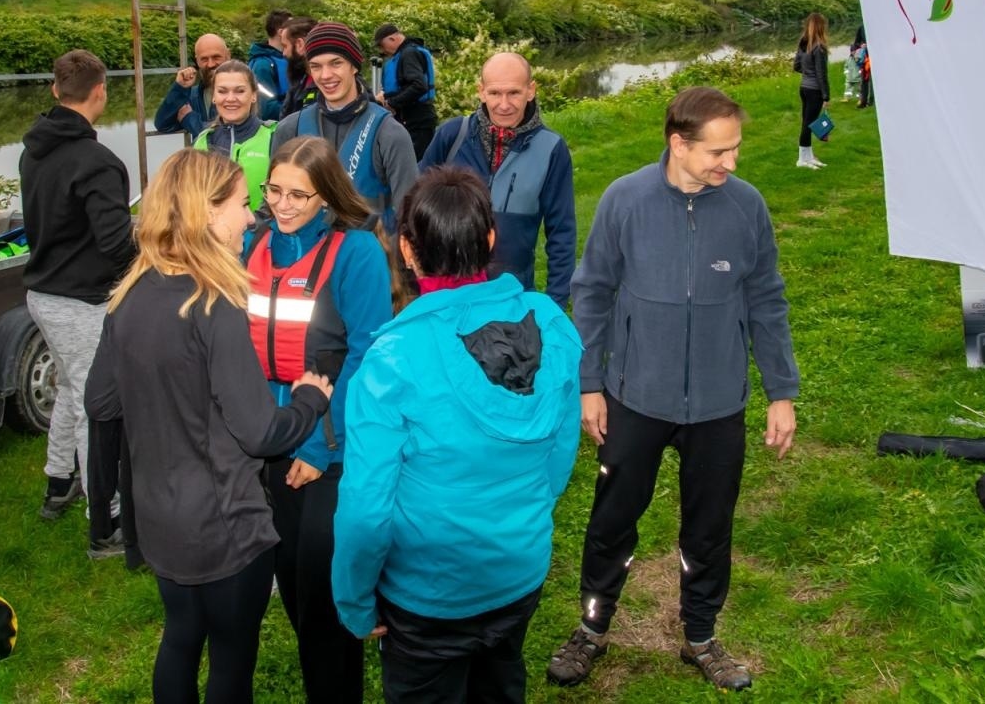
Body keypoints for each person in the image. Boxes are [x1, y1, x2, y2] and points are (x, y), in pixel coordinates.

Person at [547, 86, 799, 693]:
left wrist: (781, 391)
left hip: (718, 404)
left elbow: (766, 298)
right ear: (677, 144)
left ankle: (701, 636)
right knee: (614, 518)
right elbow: (593, 293)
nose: (730, 164)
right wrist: (590, 384)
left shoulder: (746, 206)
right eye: (719, 151)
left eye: (735, 150)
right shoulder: (625, 200)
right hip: (634, 397)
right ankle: (591, 629)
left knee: (709, 527)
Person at [83, 148, 333, 704]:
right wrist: (311, 402)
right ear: (207, 211)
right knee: (230, 662)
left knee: (179, 638)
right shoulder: (216, 304)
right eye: (243, 204)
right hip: (225, 523)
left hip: (158, 511)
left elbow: (100, 400)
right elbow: (260, 432)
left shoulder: (130, 295)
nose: (251, 217)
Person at [332, 167, 582, 704]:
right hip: (517, 570)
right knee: (499, 684)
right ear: (491, 239)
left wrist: (354, 600)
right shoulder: (553, 326)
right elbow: (559, 457)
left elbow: (365, 507)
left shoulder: (394, 358)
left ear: (406, 249)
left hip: (428, 593)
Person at [244, 135, 395, 703]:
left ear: (327, 197)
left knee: (325, 595)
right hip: (264, 444)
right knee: (291, 583)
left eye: (299, 196)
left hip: (326, 449)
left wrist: (318, 450)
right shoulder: (252, 245)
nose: (282, 206)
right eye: (274, 191)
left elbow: (367, 355)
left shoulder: (353, 253)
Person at [19, 50, 136, 551]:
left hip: (41, 292)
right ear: (101, 91)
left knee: (70, 386)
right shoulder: (97, 161)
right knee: (97, 404)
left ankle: (58, 481)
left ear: (55, 90)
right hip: (80, 300)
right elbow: (114, 243)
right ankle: (105, 515)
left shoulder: (33, 150)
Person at [420, 51, 577, 307]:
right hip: (447, 297)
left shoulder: (551, 149)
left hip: (513, 298)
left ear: (531, 90)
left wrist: (555, 304)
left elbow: (562, 233)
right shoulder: (451, 136)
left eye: (514, 93)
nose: (504, 105)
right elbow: (415, 206)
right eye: (494, 93)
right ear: (481, 91)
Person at [272, 21, 418, 231]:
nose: (325, 75)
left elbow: (410, 215)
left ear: (355, 65)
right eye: (316, 66)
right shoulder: (289, 129)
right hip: (307, 257)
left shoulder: (389, 133)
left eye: (336, 63)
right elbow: (273, 205)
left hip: (367, 257)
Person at [195, 60, 275, 211]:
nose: (230, 98)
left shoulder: (273, 136)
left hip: (261, 232)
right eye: (222, 91)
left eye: (239, 91)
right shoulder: (203, 141)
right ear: (213, 96)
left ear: (253, 96)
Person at [373, 24, 438, 160]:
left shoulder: (409, 54)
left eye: (381, 45)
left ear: (392, 39)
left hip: (418, 121)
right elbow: (406, 86)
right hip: (412, 119)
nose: (382, 50)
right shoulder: (406, 53)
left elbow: (419, 86)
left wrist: (391, 103)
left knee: (416, 165)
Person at [154, 33, 229, 137]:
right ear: (197, 60)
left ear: (227, 55)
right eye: (204, 59)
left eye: (216, 57)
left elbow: (230, 136)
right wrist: (179, 88)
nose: (211, 64)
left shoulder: (244, 93)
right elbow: (163, 125)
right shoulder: (193, 95)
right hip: (200, 154)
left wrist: (190, 120)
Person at [794, 12, 830, 170]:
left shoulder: (803, 43)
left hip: (804, 88)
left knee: (807, 123)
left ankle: (809, 157)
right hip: (814, 90)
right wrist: (826, 95)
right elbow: (822, 74)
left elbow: (796, 66)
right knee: (808, 125)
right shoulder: (819, 48)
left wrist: (807, 72)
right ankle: (802, 159)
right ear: (821, 27)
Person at [248, 9, 294, 121]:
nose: (295, 32)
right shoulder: (262, 65)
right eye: (292, 28)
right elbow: (265, 108)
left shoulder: (288, 58)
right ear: (281, 32)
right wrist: (300, 112)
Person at [283, 16, 319, 114]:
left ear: (300, 44)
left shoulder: (326, 85)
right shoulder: (300, 80)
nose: (284, 53)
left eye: (285, 46)